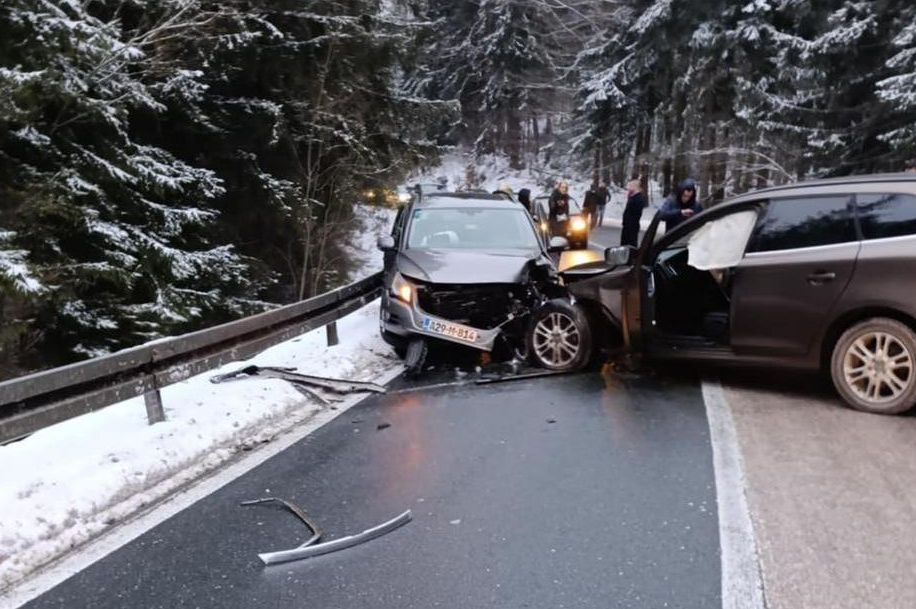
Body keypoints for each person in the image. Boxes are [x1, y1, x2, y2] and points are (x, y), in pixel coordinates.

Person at [621, 177, 647, 248]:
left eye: (630, 186)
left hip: (632, 225)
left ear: (635, 187)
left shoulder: (638, 198)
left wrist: (629, 222)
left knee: (631, 244)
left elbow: (636, 213)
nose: (628, 188)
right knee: (625, 243)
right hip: (627, 225)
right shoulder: (633, 197)